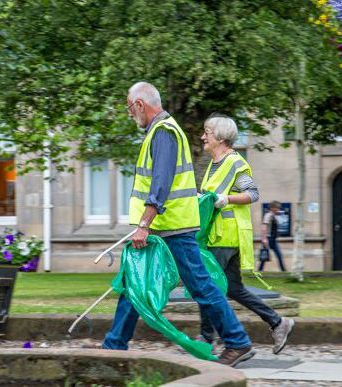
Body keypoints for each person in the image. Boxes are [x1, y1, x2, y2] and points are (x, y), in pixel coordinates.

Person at [102, 82, 255, 367]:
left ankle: (237, 341)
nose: (129, 114)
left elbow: (160, 182)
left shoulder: (163, 133)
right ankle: (114, 346)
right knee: (133, 282)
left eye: (128, 107)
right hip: (165, 226)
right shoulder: (160, 133)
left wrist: (144, 223)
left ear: (139, 104)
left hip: (170, 228)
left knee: (199, 285)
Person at [198, 113, 294, 355]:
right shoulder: (214, 163)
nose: (202, 137)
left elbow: (252, 194)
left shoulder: (236, 163)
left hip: (226, 237)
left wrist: (225, 198)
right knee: (233, 288)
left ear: (219, 138)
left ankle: (207, 338)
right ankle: (278, 322)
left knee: (207, 284)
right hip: (218, 236)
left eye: (206, 133)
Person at [259, 200, 287, 272]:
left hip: (272, 239)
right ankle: (260, 270)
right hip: (268, 239)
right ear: (273, 208)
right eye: (278, 208)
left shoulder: (273, 216)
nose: (278, 209)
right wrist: (264, 239)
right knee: (265, 255)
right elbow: (264, 227)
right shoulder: (268, 215)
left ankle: (283, 271)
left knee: (276, 255)